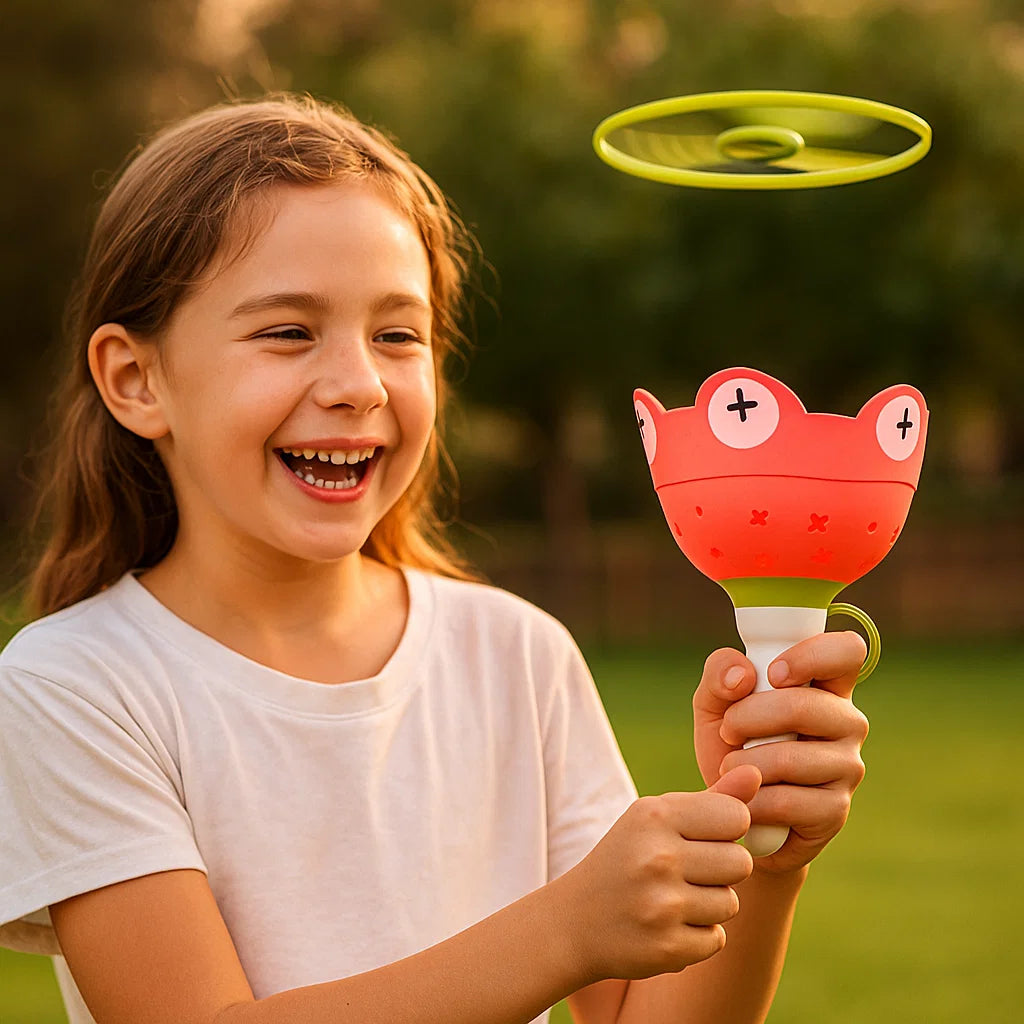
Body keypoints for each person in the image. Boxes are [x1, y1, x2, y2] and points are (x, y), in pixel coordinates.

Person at [0, 93, 869, 1024]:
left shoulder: (517, 654)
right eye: (287, 330)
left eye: (397, 335)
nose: (359, 385)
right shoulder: (75, 685)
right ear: (136, 379)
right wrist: (564, 928)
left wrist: (768, 853)